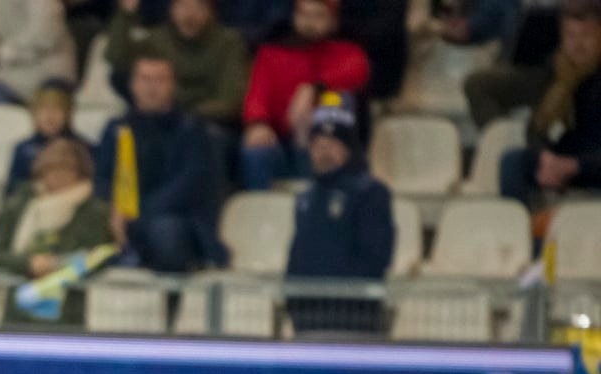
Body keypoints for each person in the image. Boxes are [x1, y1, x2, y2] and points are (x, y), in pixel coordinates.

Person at [95, 52, 226, 271]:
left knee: (166, 232)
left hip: (177, 221)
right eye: (145, 79)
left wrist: (137, 215)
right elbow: (102, 177)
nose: (152, 87)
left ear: (173, 85)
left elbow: (187, 187)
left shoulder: (193, 131)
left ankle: (170, 301)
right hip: (122, 217)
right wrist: (114, 209)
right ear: (133, 84)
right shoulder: (117, 129)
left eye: (160, 80)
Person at [285, 94, 391, 334]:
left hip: (353, 320)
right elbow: (297, 254)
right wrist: (293, 298)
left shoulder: (371, 193)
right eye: (318, 145)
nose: (324, 152)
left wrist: (344, 298)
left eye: (332, 144)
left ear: (349, 149)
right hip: (307, 319)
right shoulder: (305, 198)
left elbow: (375, 257)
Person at [239, 0, 370, 189]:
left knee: (337, 100)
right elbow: (257, 95)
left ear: (333, 21)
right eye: (305, 15)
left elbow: (358, 70)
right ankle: (262, 211)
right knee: (255, 148)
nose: (310, 23)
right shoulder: (271, 53)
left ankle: (321, 199)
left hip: (323, 136)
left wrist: (314, 89)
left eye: (318, 16)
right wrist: (258, 123)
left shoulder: (347, 52)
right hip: (280, 140)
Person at [0, 137, 113, 323]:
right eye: (51, 169)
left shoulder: (94, 211)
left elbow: (98, 257)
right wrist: (29, 263)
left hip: (68, 308)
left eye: (66, 169)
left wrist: (57, 265)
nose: (58, 176)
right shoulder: (19, 205)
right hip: (17, 306)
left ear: (80, 172)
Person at [487, 0, 600, 204]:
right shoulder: (555, 74)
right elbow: (535, 129)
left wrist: (575, 165)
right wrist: (544, 157)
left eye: (586, 36)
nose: (578, 44)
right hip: (559, 161)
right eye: (571, 36)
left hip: (591, 166)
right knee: (513, 162)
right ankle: (524, 230)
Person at [106, 0, 251, 126]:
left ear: (211, 11)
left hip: (210, 123)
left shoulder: (229, 43)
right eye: (182, 6)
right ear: (171, 9)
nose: (189, 14)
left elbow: (230, 100)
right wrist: (126, 14)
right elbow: (117, 58)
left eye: (198, 6)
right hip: (161, 120)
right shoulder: (157, 40)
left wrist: (187, 115)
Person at [0, 0, 77, 105]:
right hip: (5, 68)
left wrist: (2, 53)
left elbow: (47, 33)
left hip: (45, 66)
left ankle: (7, 132)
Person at [6, 79, 85, 190]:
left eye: (57, 109)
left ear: (68, 113)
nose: (49, 116)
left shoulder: (82, 149)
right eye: (43, 109)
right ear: (34, 113)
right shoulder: (23, 150)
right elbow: (12, 194)